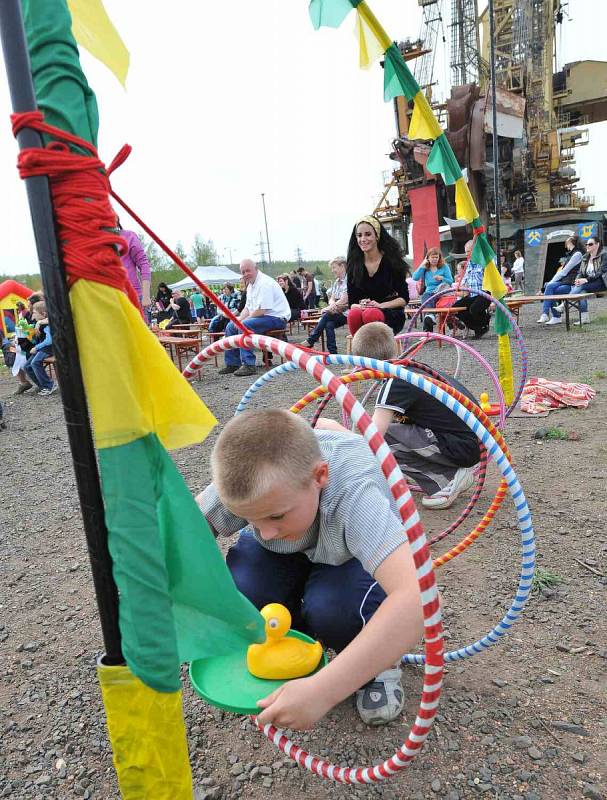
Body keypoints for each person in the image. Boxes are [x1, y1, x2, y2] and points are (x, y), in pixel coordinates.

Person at [197, 408, 423, 728]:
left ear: (320, 477)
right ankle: (296, 642)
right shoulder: (259, 482)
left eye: (276, 516)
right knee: (245, 588)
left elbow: (419, 601)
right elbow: (190, 527)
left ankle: (378, 667)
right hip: (293, 547)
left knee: (334, 608)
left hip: (349, 552)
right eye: (251, 518)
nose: (265, 531)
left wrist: (322, 691)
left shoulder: (355, 491)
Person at [319, 322, 479, 509]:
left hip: (460, 446)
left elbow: (371, 439)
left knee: (380, 443)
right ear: (398, 346)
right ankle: (445, 471)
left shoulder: (395, 383)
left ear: (359, 364)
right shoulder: (413, 369)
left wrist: (333, 428)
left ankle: (446, 479)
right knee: (388, 431)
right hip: (471, 439)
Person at [219, 259, 291, 377]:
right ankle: (232, 363)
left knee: (245, 325)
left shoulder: (265, 283)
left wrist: (242, 322)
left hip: (277, 318)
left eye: (248, 271)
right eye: (243, 272)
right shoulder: (250, 285)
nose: (245, 274)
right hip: (263, 317)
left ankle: (249, 364)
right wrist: (238, 320)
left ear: (256, 269)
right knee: (230, 326)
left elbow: (262, 310)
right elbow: (247, 308)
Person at [346, 215, 409, 336]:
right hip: (364, 311)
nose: (363, 239)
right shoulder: (354, 265)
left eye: (368, 234)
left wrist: (380, 306)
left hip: (390, 312)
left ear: (377, 235)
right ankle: (360, 352)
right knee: (354, 313)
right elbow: (351, 303)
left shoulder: (392, 262)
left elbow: (404, 299)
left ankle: (379, 354)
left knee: (371, 314)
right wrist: (362, 305)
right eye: (359, 235)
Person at [301, 256, 348, 354]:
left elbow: (344, 300)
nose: (332, 270)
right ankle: (333, 352)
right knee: (328, 324)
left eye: (334, 267)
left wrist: (329, 307)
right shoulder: (336, 282)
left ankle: (311, 340)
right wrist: (331, 305)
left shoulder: (349, 280)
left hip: (348, 312)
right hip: (337, 311)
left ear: (342, 266)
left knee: (326, 315)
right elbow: (332, 298)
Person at [537, 236, 583, 325]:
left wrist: (551, 282)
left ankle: (555, 316)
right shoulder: (571, 254)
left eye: (567, 243)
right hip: (566, 281)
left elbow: (564, 272)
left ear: (571, 242)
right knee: (549, 287)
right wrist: (550, 283)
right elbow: (563, 273)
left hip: (572, 284)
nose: (566, 246)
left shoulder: (577, 254)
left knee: (550, 289)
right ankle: (545, 314)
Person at [411, 247, 453, 332]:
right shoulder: (425, 268)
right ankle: (430, 318)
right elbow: (415, 278)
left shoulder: (444, 266)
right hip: (430, 293)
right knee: (426, 298)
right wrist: (422, 265)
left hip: (442, 292)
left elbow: (451, 281)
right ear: (428, 258)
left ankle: (429, 323)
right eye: (432, 257)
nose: (434, 259)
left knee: (431, 308)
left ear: (439, 257)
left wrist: (442, 278)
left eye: (436, 257)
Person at [568, 236, 607, 325]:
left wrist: (585, 280)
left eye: (590, 244)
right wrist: (578, 279)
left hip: (601, 282)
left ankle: (565, 303)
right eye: (586, 244)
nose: (587, 246)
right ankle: (584, 318)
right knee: (581, 291)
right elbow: (580, 272)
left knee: (581, 286)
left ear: (597, 245)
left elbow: (600, 272)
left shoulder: (604, 255)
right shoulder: (585, 257)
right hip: (589, 282)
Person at [456, 240, 490, 338]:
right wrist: (462, 286)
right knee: (456, 308)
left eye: (469, 251)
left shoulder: (485, 262)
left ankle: (484, 322)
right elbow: (465, 279)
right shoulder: (469, 264)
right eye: (466, 251)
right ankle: (478, 328)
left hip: (484, 293)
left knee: (474, 309)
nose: (467, 254)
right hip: (472, 294)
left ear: (477, 250)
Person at [24, 300, 57, 396]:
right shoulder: (39, 323)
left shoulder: (46, 325)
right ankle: (42, 386)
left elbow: (49, 341)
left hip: (48, 348)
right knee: (27, 366)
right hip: (42, 348)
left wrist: (36, 347)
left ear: (43, 314)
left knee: (35, 362)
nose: (33, 315)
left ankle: (49, 385)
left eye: (34, 313)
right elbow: (39, 339)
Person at [116, 220, 152, 308]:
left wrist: (146, 296)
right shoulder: (96, 242)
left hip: (133, 296)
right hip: (109, 298)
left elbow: (143, 264)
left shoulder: (129, 236)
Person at [13, 292, 43, 394]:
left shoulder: (37, 315)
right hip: (29, 344)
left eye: (29, 303)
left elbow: (37, 335)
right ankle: (24, 382)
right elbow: (28, 331)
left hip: (36, 345)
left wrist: (28, 332)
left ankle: (43, 384)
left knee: (26, 362)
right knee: (13, 354)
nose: (28, 305)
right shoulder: (28, 314)